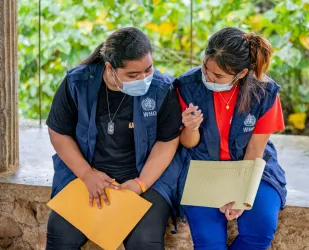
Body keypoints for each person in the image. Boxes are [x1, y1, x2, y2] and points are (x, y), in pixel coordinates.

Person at [46, 27, 183, 250]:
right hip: (87, 174)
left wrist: (140, 184)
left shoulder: (162, 89)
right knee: (61, 237)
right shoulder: (77, 83)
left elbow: (167, 141)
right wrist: (87, 174)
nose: (144, 79)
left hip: (145, 176)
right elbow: (58, 132)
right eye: (133, 75)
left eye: (149, 70)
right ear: (109, 68)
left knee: (145, 242)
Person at [175, 27, 287, 250]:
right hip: (203, 169)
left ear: (242, 74)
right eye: (206, 69)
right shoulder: (186, 86)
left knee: (260, 231)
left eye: (218, 76)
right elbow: (188, 144)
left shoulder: (264, 92)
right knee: (209, 243)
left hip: (252, 167)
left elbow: (255, 149)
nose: (208, 77)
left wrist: (239, 194)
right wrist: (190, 128)